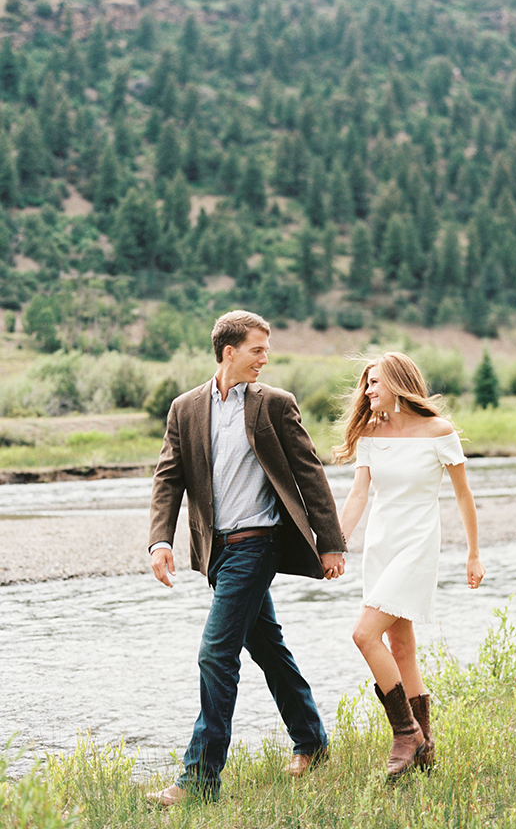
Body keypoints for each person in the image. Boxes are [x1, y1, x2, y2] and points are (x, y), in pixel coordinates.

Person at [147, 310, 346, 806]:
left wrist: (331, 541)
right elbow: (168, 477)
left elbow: (310, 472)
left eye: (267, 349)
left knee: (216, 653)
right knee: (268, 647)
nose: (265, 358)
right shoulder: (185, 408)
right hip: (216, 551)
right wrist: (160, 540)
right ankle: (313, 740)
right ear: (228, 351)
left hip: (259, 544)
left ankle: (200, 779)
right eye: (258, 349)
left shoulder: (275, 404)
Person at [334, 351, 485, 779]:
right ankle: (425, 749)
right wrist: (337, 544)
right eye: (366, 384)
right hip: (380, 547)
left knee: (363, 634)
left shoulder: (438, 431)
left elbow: (462, 495)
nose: (367, 391)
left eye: (374, 383)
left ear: (398, 383)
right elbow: (359, 494)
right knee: (400, 647)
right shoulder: (368, 432)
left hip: (418, 546)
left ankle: (406, 733)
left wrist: (473, 554)